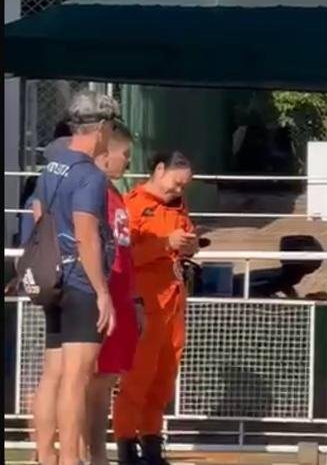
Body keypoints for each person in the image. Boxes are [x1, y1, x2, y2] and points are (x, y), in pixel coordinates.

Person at [29, 91, 120, 465]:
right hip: (80, 282)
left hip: (52, 278)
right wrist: (102, 291)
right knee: (76, 378)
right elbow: (86, 231)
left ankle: (44, 456)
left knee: (52, 374)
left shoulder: (51, 166)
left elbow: (37, 213)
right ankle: (70, 458)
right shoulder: (89, 175)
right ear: (100, 128)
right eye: (111, 128)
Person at [116, 151, 196, 465]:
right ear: (159, 170)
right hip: (144, 302)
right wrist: (165, 245)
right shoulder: (131, 205)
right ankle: (126, 445)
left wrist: (189, 245)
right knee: (137, 377)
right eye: (176, 184)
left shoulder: (177, 207)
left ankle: (151, 442)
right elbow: (123, 256)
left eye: (184, 187)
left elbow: (183, 239)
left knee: (164, 378)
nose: (179, 191)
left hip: (173, 301)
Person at [87, 124, 138, 465]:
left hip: (119, 298)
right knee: (83, 380)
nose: (129, 164)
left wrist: (135, 301)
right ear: (105, 155)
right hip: (96, 297)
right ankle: (82, 452)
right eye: (126, 156)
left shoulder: (114, 194)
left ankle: (97, 453)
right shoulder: (89, 192)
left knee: (105, 381)